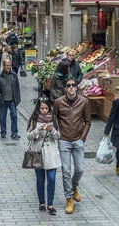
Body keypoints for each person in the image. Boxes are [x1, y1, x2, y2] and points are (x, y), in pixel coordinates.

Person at [53, 76, 91, 215]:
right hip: (63, 140)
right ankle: (69, 198)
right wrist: (58, 134)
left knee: (80, 169)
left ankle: (74, 186)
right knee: (66, 171)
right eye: (68, 85)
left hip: (77, 140)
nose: (70, 88)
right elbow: (54, 119)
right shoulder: (58, 102)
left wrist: (82, 138)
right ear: (65, 88)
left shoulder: (84, 102)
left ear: (76, 87)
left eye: (73, 85)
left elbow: (88, 121)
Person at [27, 98, 61, 215]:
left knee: (51, 179)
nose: (44, 111)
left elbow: (58, 136)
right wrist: (38, 129)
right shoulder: (34, 119)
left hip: (51, 152)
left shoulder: (54, 119)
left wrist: (51, 130)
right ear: (38, 108)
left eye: (46, 108)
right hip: (38, 152)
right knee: (40, 180)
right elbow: (29, 136)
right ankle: (42, 203)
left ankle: (50, 204)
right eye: (42, 108)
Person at [0, 59, 21, 140]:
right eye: (7, 66)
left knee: (14, 116)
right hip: (3, 100)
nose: (8, 67)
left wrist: (17, 99)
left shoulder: (14, 75)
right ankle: (3, 132)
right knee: (3, 117)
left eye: (9, 65)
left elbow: (17, 87)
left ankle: (14, 133)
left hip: (12, 100)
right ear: (3, 66)